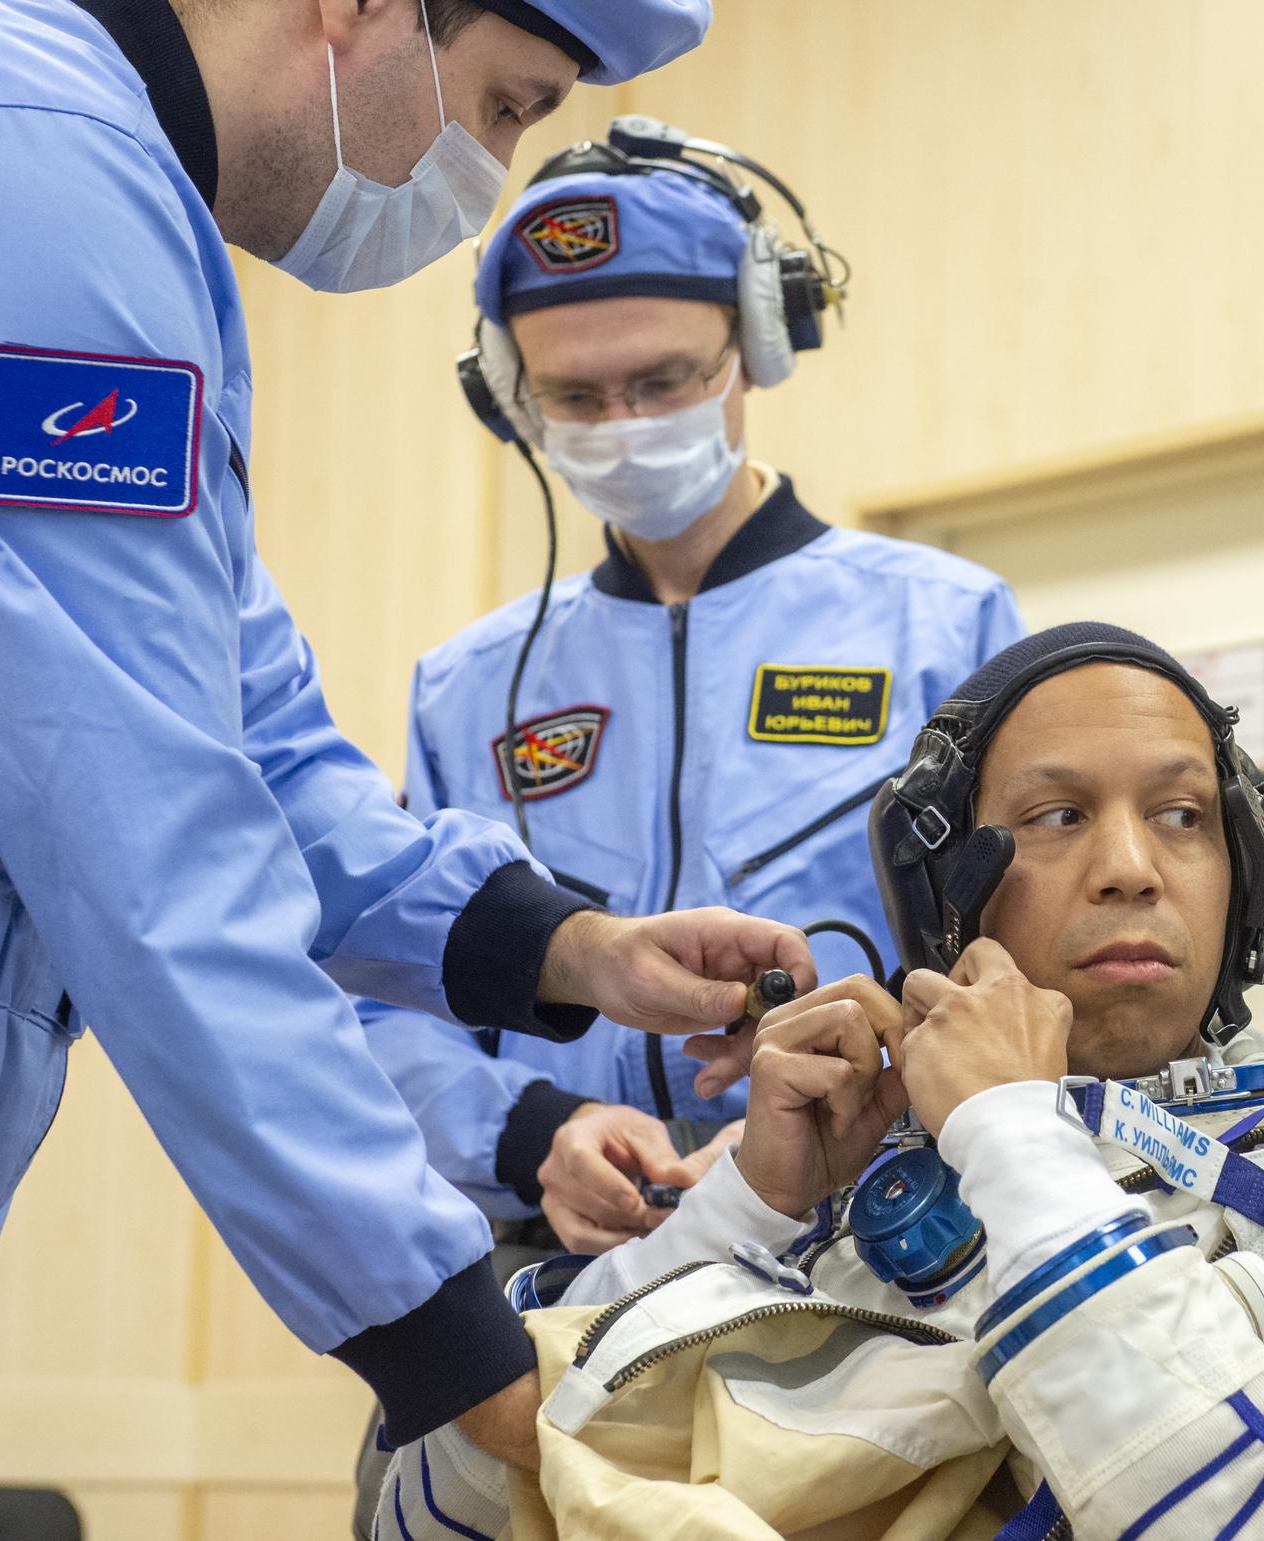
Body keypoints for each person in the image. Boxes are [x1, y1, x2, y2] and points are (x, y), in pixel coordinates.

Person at [0, 2, 824, 1534]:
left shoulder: (115, 213)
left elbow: (253, 739)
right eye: (505, 103)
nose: (489, 169)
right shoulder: (32, 178)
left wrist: (569, 946)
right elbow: (152, 847)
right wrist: (470, 1359)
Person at [385, 623, 1264, 1540]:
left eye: (1185, 815)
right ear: (949, 898)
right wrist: (744, 1216)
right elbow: (444, 1506)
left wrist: (1016, 1141)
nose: (1133, 865)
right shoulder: (838, 1205)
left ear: (1244, 873)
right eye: (1055, 817)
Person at [357, 133, 1024, 1256]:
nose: (624, 425)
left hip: (870, 1234)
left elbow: (1015, 966)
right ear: (511, 397)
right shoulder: (463, 688)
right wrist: (534, 1130)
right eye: (576, 394)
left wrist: (848, 1108)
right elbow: (386, 989)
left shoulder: (944, 624)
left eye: (665, 380)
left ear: (758, 344)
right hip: (562, 1255)